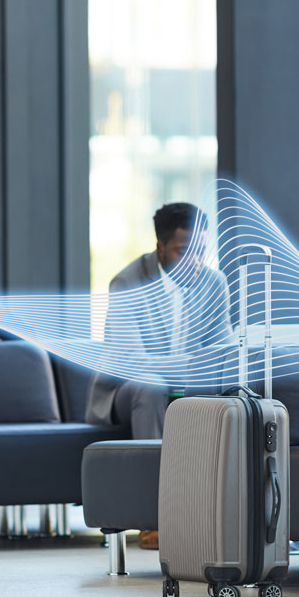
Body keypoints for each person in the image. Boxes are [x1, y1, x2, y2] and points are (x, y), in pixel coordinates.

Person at [88, 202, 231, 550]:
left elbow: (222, 351)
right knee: (150, 387)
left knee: (236, 390)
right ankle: (153, 520)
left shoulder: (214, 283)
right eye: (184, 251)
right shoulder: (128, 282)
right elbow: (133, 360)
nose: (195, 261)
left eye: (201, 251)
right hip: (127, 390)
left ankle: (220, 516)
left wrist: (204, 370)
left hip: (186, 384)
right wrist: (189, 365)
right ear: (161, 247)